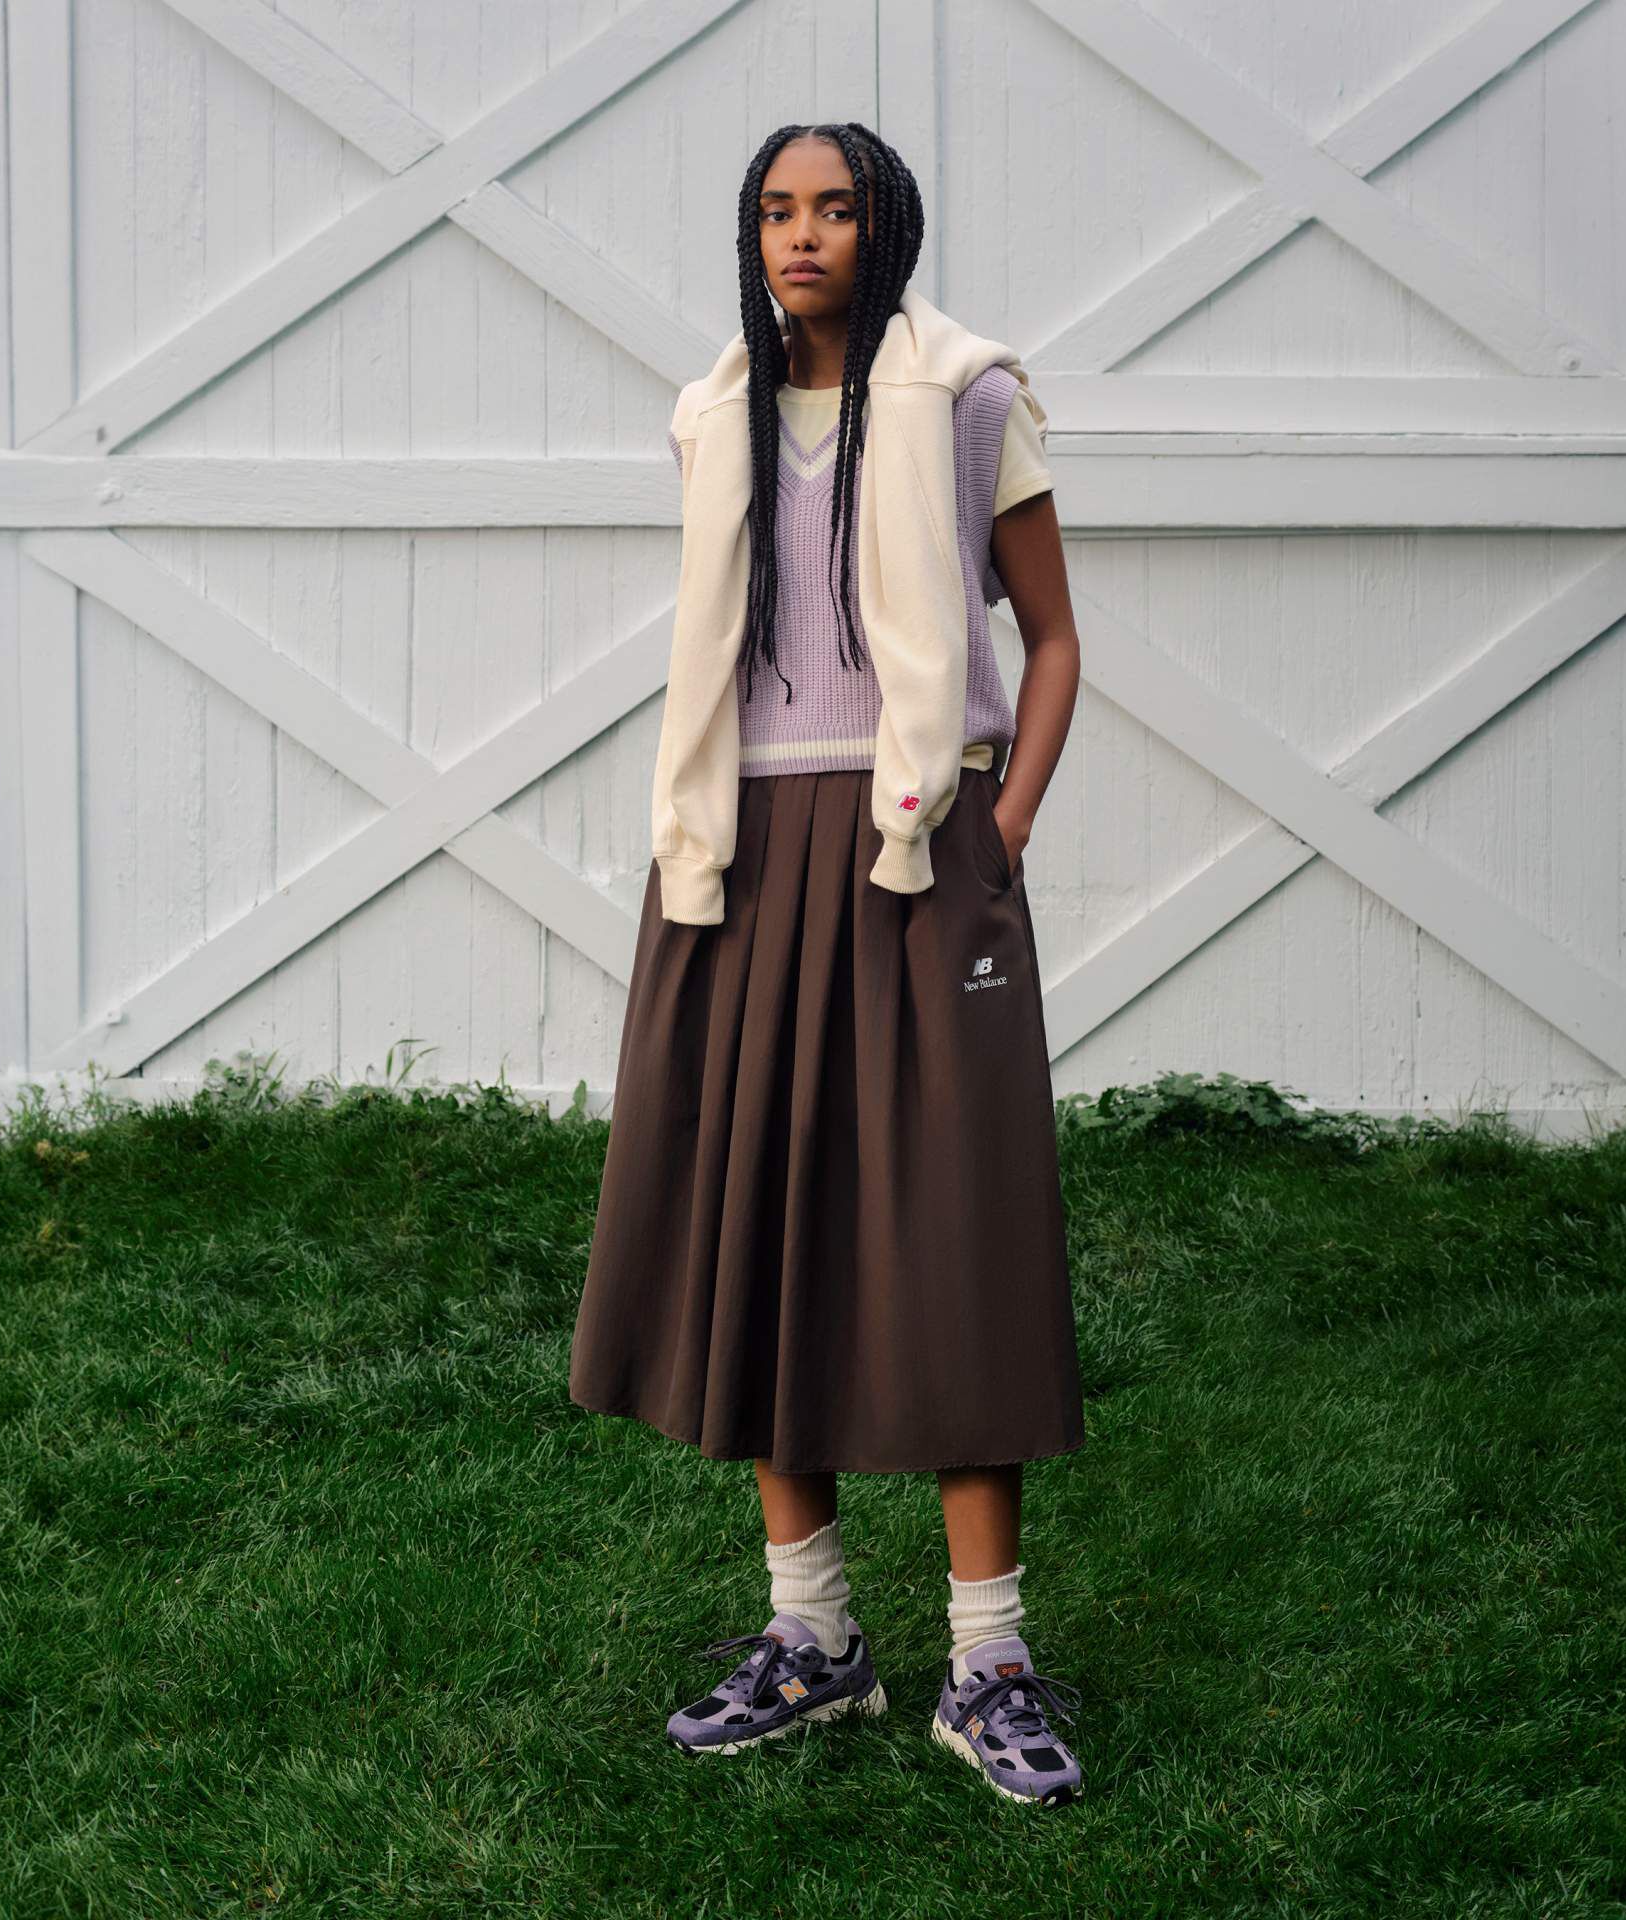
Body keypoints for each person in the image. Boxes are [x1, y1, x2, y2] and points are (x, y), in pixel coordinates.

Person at [567, 120, 1087, 1810]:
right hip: (741, 863)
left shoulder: (975, 399)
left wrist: (998, 825)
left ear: (887, 225)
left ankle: (989, 1660)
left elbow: (1056, 636)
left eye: (835, 208)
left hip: (918, 843)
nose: (803, 236)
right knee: (760, 1220)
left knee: (955, 1225)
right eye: (776, 210)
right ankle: (815, 1640)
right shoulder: (710, 414)